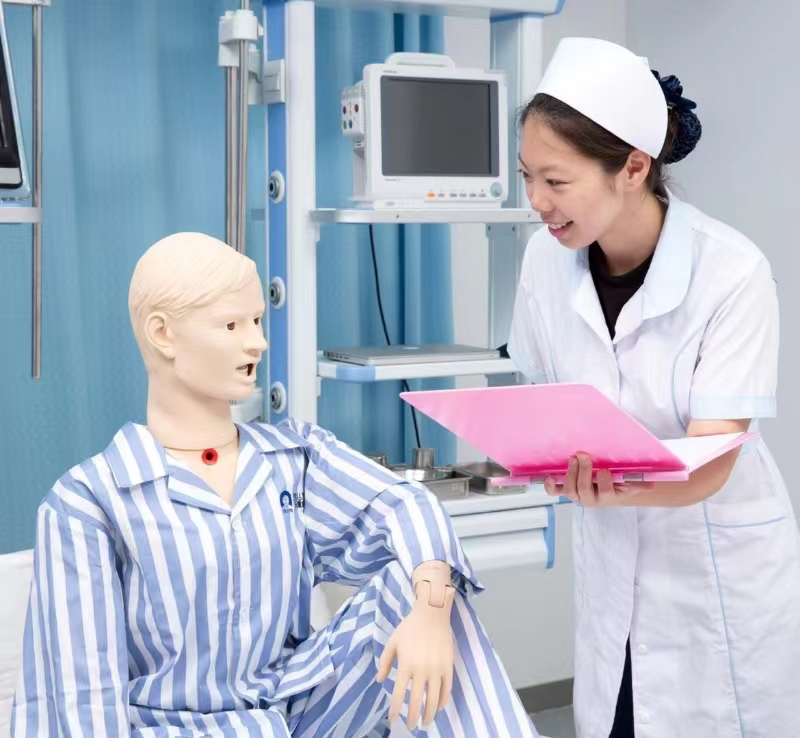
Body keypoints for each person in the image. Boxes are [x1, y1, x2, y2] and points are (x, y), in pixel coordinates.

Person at [12, 232, 538, 737]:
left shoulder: (294, 457)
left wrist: (431, 607)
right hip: (171, 728)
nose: (258, 342)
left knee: (427, 583)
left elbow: (403, 503)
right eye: (232, 324)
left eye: (258, 320)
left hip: (294, 714)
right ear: (163, 334)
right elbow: (80, 697)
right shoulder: (89, 502)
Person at [508, 37, 800, 738]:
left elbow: (712, 459)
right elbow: (542, 405)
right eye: (527, 177)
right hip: (614, 570)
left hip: (717, 578)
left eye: (556, 180)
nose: (537, 202)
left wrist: (606, 483)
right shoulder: (545, 263)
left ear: (633, 168)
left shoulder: (731, 272)